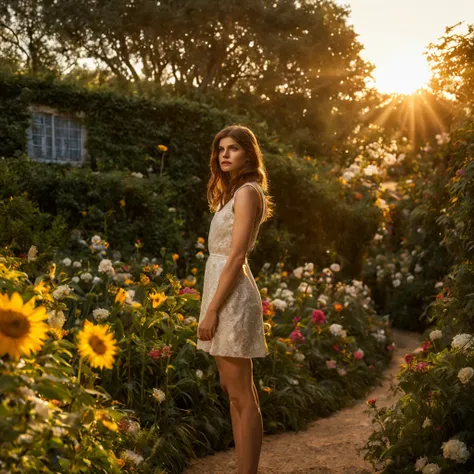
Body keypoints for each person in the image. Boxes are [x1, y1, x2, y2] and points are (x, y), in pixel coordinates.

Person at [197, 124, 274, 474]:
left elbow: (237, 255)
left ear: (248, 153)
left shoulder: (246, 192)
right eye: (220, 149)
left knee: (242, 394)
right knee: (233, 390)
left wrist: (212, 309)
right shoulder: (231, 194)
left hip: (230, 296)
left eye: (233, 148)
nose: (224, 154)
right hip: (220, 288)